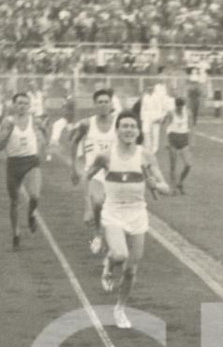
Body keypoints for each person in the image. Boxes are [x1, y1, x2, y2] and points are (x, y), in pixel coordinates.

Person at [80, 110, 170, 328]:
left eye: (133, 126)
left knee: (131, 270)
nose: (129, 130)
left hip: (138, 213)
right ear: (117, 130)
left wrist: (155, 184)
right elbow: (87, 176)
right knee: (120, 254)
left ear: (138, 131)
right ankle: (109, 264)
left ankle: (120, 309)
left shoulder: (146, 156)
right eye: (125, 126)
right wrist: (89, 205)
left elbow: (166, 188)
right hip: (113, 212)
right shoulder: (106, 156)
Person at [0, 91, 46, 249]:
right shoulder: (7, 122)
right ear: (13, 105)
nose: (22, 106)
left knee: (35, 196)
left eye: (25, 103)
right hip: (14, 164)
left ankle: (31, 215)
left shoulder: (34, 121)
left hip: (31, 161)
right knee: (14, 201)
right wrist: (7, 133)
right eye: (19, 103)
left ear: (29, 106)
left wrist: (43, 141)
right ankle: (16, 233)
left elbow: (44, 132)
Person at [69, 88, 118, 255]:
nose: (103, 105)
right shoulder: (87, 124)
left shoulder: (118, 123)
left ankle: (111, 240)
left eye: (106, 101)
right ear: (95, 104)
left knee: (114, 212)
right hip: (94, 172)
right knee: (97, 202)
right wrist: (74, 168)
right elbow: (74, 143)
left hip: (114, 172)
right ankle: (97, 234)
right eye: (100, 102)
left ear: (111, 103)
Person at [162, 95, 193, 193]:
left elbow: (190, 127)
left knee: (188, 164)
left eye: (181, 107)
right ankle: (173, 187)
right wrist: (166, 141)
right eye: (178, 107)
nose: (180, 109)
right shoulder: (171, 113)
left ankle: (180, 182)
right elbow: (166, 126)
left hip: (183, 139)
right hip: (173, 139)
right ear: (176, 106)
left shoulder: (187, 112)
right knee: (173, 165)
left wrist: (191, 140)